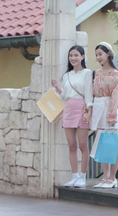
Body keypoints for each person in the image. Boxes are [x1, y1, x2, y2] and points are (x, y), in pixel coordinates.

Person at [51, 45, 93, 188]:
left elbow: (89, 94)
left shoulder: (87, 73)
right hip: (68, 109)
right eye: (71, 56)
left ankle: (82, 176)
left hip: (81, 108)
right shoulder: (66, 75)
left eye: (76, 55)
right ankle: (74, 176)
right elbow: (64, 96)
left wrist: (89, 112)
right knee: (71, 145)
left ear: (82, 57)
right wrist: (57, 86)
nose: (73, 58)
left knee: (83, 145)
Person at [90, 42, 118, 189]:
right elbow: (93, 93)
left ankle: (112, 178)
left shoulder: (115, 74)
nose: (98, 57)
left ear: (108, 53)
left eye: (100, 54)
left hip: (109, 108)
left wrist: (112, 113)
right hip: (98, 109)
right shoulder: (96, 73)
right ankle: (105, 177)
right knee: (101, 143)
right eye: (96, 55)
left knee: (112, 142)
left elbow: (115, 96)